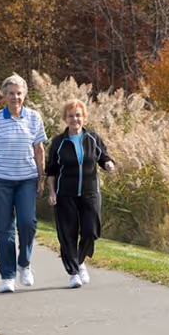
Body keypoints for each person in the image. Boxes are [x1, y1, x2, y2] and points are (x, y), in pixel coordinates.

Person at [0, 73, 47, 293]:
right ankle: (7, 276)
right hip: (0, 181)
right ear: (4, 96)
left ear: (24, 95)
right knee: (4, 229)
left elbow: (39, 150)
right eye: (11, 94)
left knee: (28, 223)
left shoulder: (34, 118)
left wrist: (41, 177)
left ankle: (24, 264)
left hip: (27, 179)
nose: (15, 97)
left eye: (19, 93)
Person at [45, 99, 114, 288]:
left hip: (90, 191)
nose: (74, 119)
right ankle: (74, 273)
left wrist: (108, 164)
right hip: (65, 193)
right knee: (67, 234)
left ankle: (80, 259)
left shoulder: (92, 137)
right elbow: (50, 170)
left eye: (78, 115)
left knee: (91, 231)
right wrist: (52, 193)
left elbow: (103, 156)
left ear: (83, 117)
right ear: (65, 119)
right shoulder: (59, 142)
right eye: (70, 115)